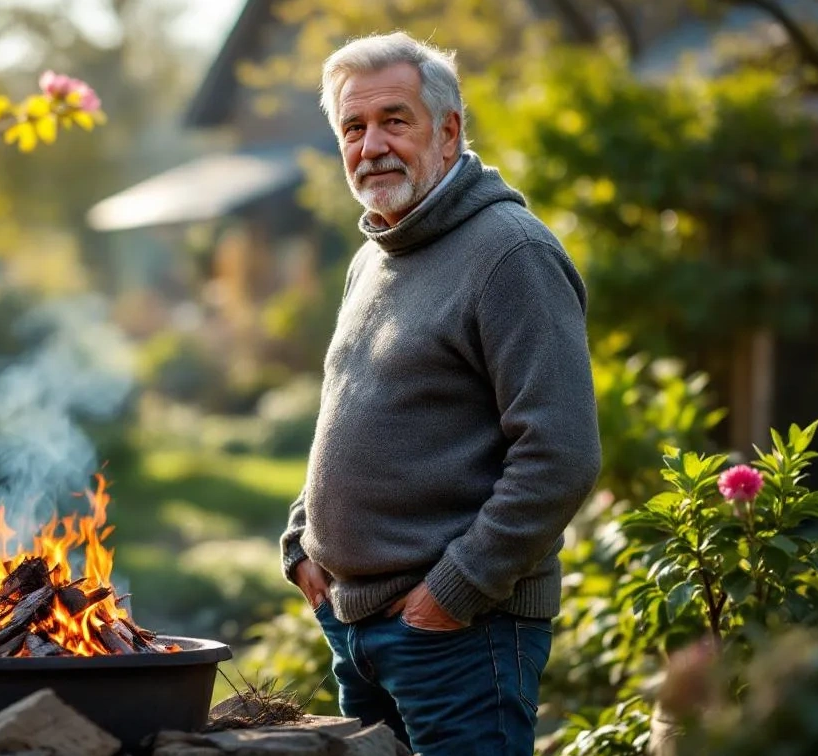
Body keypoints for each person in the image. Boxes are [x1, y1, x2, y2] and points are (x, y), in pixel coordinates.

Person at [280, 32, 602, 756]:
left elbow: (562, 454)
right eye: (353, 128)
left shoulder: (511, 254)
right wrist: (302, 537)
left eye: (395, 119)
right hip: (358, 631)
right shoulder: (374, 257)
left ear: (449, 130)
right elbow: (352, 412)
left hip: (460, 637)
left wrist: (451, 594)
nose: (372, 146)